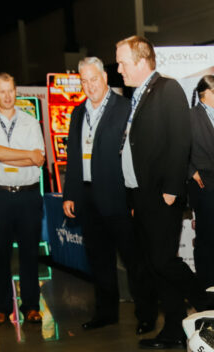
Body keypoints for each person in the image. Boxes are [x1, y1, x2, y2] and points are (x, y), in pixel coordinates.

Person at [116, 35, 211, 350]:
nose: (119, 70)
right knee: (155, 264)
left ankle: (210, 305)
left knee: (163, 261)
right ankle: (173, 328)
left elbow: (180, 141)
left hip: (161, 194)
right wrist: (132, 196)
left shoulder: (168, 89)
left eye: (122, 63)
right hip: (141, 194)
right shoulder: (139, 94)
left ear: (141, 61)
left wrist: (171, 189)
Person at [62, 56, 156, 333]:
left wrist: (136, 196)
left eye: (94, 79)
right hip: (88, 197)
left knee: (133, 259)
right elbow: (73, 156)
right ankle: (106, 313)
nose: (90, 86)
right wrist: (70, 194)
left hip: (119, 196)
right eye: (84, 81)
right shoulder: (77, 113)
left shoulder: (125, 108)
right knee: (99, 259)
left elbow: (138, 154)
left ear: (104, 78)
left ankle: (146, 315)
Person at [0, 72, 46, 327]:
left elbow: (39, 159)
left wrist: (5, 154)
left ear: (16, 91)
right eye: (2, 91)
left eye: (11, 90)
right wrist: (25, 155)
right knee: (0, 254)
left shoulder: (30, 122)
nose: (7, 96)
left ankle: (31, 306)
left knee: (30, 254)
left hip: (28, 195)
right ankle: (1, 308)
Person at [188, 75, 214, 291]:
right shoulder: (190, 117)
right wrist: (190, 171)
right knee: (206, 240)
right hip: (205, 187)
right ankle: (206, 288)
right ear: (208, 93)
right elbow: (176, 146)